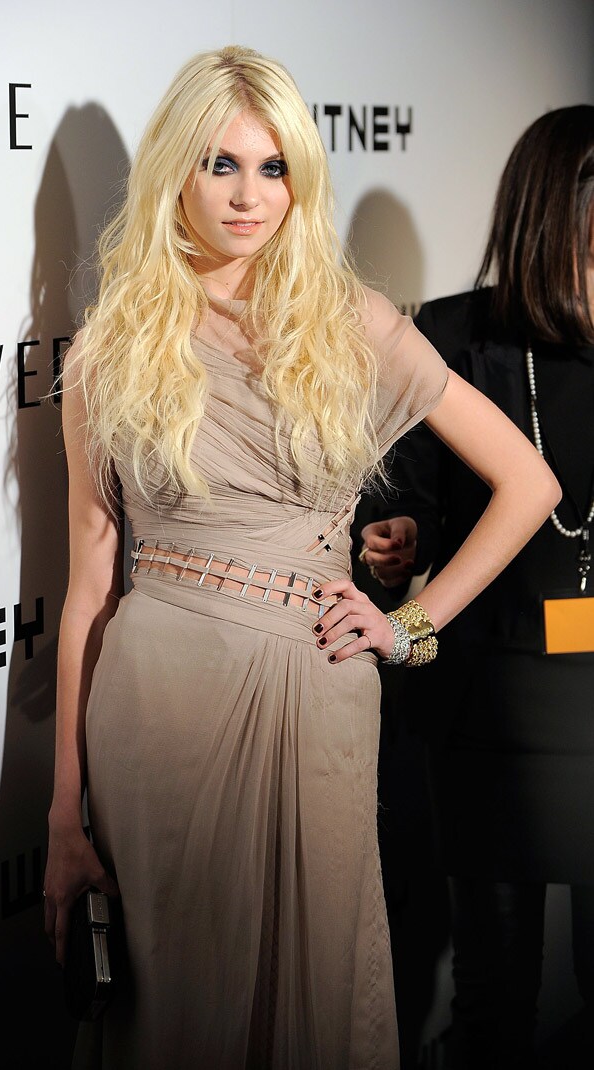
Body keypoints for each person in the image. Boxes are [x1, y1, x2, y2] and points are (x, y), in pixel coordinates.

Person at [41, 44, 559, 1070]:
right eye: (221, 165)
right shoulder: (112, 346)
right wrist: (64, 811)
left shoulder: (350, 324)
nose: (248, 196)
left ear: (300, 180)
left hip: (317, 687)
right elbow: (89, 588)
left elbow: (529, 483)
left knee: (316, 993)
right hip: (159, 702)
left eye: (273, 167)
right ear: (175, 173)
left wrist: (408, 626)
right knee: (176, 1005)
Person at [359, 104, 594, 1069]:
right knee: (493, 999)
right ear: (555, 215)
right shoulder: (455, 335)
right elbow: (400, 491)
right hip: (488, 714)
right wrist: (398, 537)